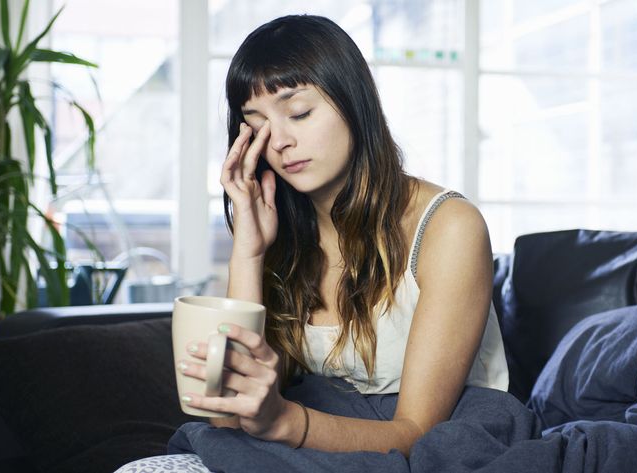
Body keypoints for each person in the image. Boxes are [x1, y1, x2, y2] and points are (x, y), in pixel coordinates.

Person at [115, 14, 507, 473]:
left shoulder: (449, 227)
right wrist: (249, 251)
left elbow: (415, 435)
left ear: (353, 102)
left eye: (299, 113)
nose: (279, 141)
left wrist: (284, 421)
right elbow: (225, 411)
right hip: (316, 441)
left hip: (429, 450)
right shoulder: (282, 230)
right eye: (257, 124)